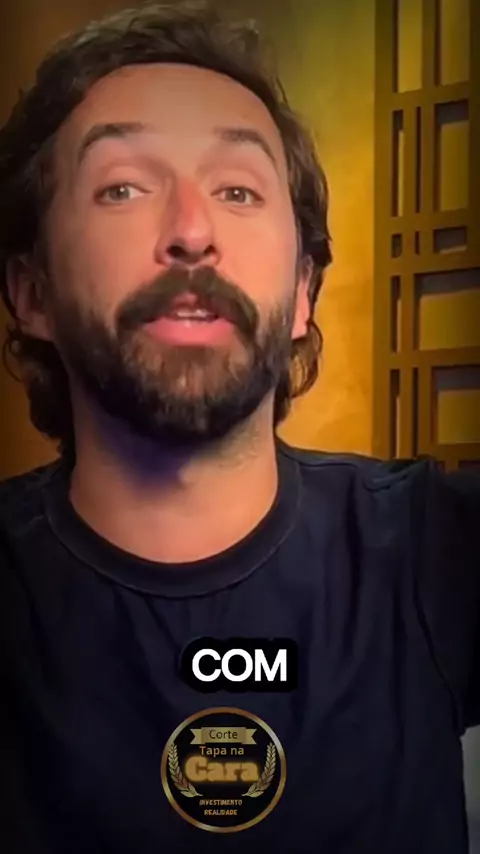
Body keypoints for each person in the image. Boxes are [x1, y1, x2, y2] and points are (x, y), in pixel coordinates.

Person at [0, 3, 478, 852]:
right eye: (122, 187)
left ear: (301, 295)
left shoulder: (430, 549)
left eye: (238, 190)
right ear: (31, 292)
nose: (192, 232)